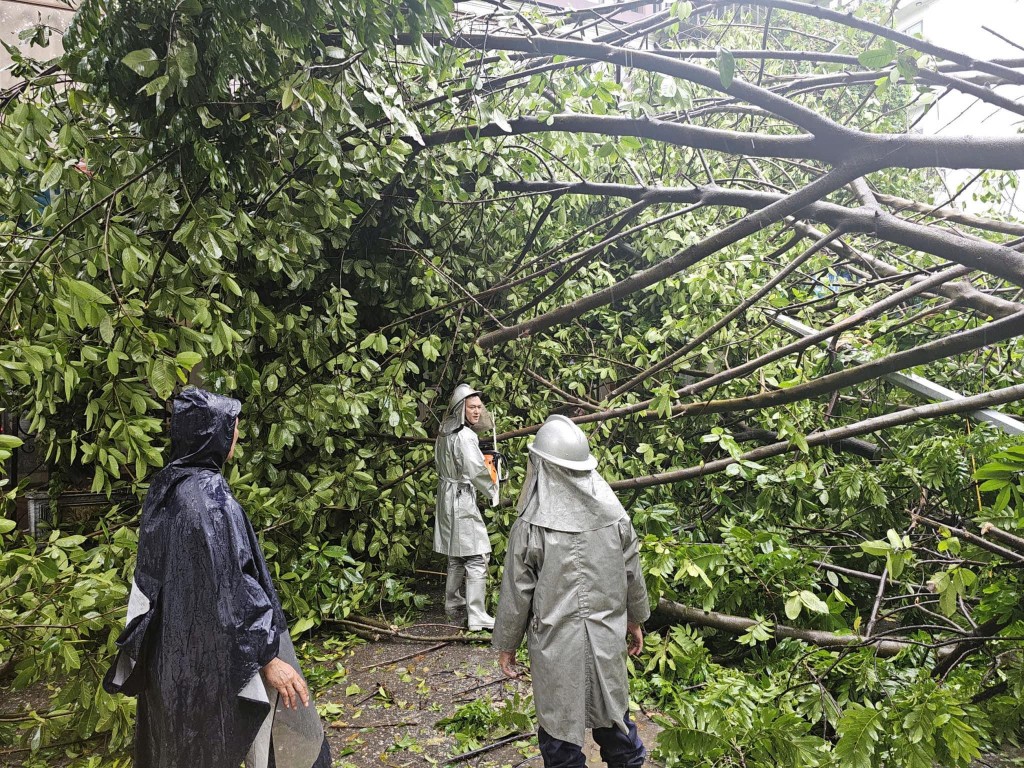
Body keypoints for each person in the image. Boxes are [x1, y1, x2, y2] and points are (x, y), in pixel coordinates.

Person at [103, 388, 331, 768]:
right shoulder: (209, 498)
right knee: (231, 742)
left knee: (181, 744)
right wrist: (267, 657)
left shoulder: (167, 488)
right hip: (214, 660)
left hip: (176, 660)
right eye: (232, 426)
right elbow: (232, 589)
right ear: (212, 433)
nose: (236, 435)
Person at [493, 415, 650, 768]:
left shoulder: (531, 524)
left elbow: (517, 593)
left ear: (542, 465)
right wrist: (636, 619)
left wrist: (506, 644)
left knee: (560, 734)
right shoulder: (615, 515)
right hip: (607, 640)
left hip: (555, 646)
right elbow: (632, 573)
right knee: (615, 720)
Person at [434, 383, 499, 631]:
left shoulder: (443, 431)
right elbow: (475, 470)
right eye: (472, 407)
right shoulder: (465, 436)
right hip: (460, 497)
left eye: (479, 407)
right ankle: (477, 614)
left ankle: (452, 601)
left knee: (456, 553)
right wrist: (493, 487)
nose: (477, 412)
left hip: (446, 495)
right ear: (461, 408)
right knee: (477, 555)